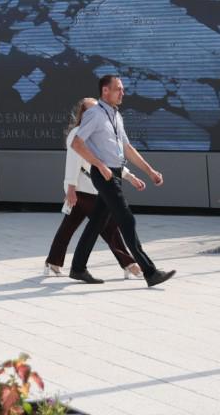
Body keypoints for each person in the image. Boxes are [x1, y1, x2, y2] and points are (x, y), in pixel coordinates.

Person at [69, 73, 176, 288]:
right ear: (105, 91)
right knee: (127, 220)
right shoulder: (95, 114)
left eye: (122, 89)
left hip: (115, 172)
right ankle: (150, 272)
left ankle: (78, 268)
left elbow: (127, 148)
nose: (122, 93)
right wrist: (100, 165)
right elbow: (77, 144)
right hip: (104, 175)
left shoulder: (116, 115)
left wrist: (150, 171)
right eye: (118, 89)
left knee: (97, 222)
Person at [44, 97, 138, 279]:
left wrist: (129, 176)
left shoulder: (98, 134)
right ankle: (129, 264)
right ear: (84, 114)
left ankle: (53, 262)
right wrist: (70, 188)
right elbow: (73, 162)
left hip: (95, 187)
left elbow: (109, 162)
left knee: (68, 226)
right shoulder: (77, 133)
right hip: (84, 188)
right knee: (108, 226)